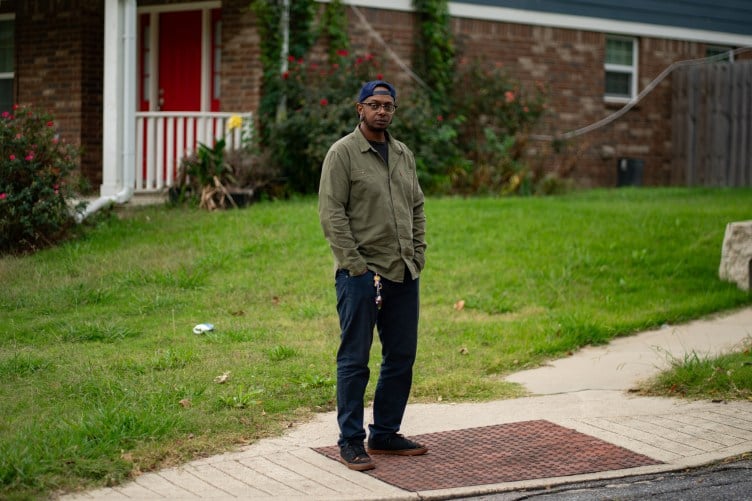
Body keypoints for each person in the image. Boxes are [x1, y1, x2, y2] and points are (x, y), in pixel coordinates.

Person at [318, 80, 428, 471]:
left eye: (389, 105)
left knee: (400, 356)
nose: (382, 111)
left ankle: (384, 433)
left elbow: (416, 205)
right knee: (355, 359)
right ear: (359, 108)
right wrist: (356, 266)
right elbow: (332, 215)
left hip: (403, 272)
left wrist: (418, 252)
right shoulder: (343, 154)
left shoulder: (403, 154)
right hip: (361, 275)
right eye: (374, 104)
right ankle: (350, 441)